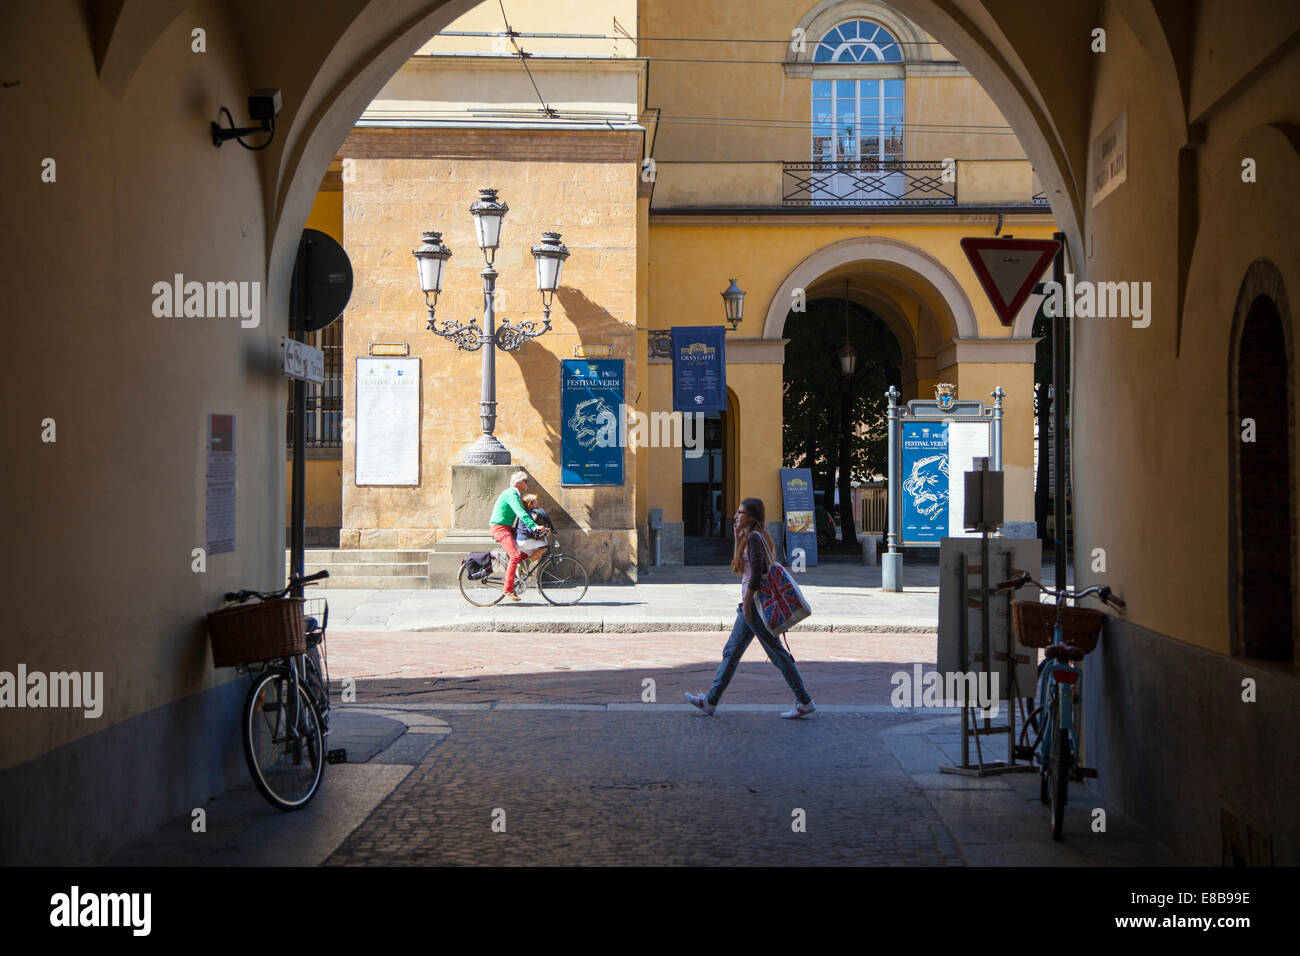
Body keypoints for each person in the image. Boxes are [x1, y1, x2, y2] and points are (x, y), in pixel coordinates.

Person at [686, 497, 816, 719]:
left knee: (777, 654)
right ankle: (710, 701)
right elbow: (739, 568)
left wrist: (746, 603)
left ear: (752, 517)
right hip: (750, 604)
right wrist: (737, 539)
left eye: (740, 512)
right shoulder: (752, 537)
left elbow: (758, 572)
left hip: (754, 605)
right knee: (732, 652)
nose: (736, 516)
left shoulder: (756, 538)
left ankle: (804, 700)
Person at [489, 471, 541, 601]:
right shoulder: (511, 494)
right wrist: (534, 526)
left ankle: (519, 566)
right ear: (518, 483)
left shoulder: (514, 494)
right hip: (500, 528)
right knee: (515, 555)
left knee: (528, 544)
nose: (527, 483)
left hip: (507, 527)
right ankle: (508, 589)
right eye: (525, 481)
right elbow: (521, 513)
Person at [515, 493, 552, 565]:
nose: (537, 502)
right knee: (544, 546)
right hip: (524, 540)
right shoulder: (527, 514)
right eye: (535, 501)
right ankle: (526, 563)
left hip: (521, 539)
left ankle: (520, 566)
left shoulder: (526, 512)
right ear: (530, 504)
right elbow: (530, 529)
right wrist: (544, 531)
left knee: (535, 554)